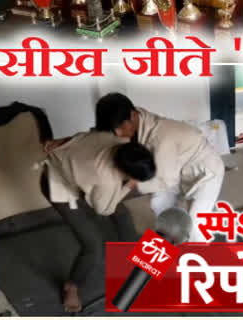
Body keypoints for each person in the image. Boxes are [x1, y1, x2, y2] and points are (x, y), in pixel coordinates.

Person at [85, 93, 225, 245]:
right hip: (175, 166)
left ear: (132, 116)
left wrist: (130, 183)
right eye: (114, 129)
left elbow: (167, 179)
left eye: (120, 127)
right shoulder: (133, 119)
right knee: (159, 203)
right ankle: (168, 242)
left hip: (205, 172)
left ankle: (201, 261)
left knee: (195, 223)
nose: (118, 133)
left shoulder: (161, 137)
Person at [41, 130, 157, 313]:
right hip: (58, 185)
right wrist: (129, 185)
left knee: (122, 214)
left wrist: (62, 141)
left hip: (78, 172)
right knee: (92, 245)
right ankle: (71, 287)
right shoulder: (106, 179)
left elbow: (82, 135)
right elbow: (103, 209)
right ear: (123, 171)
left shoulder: (117, 139)